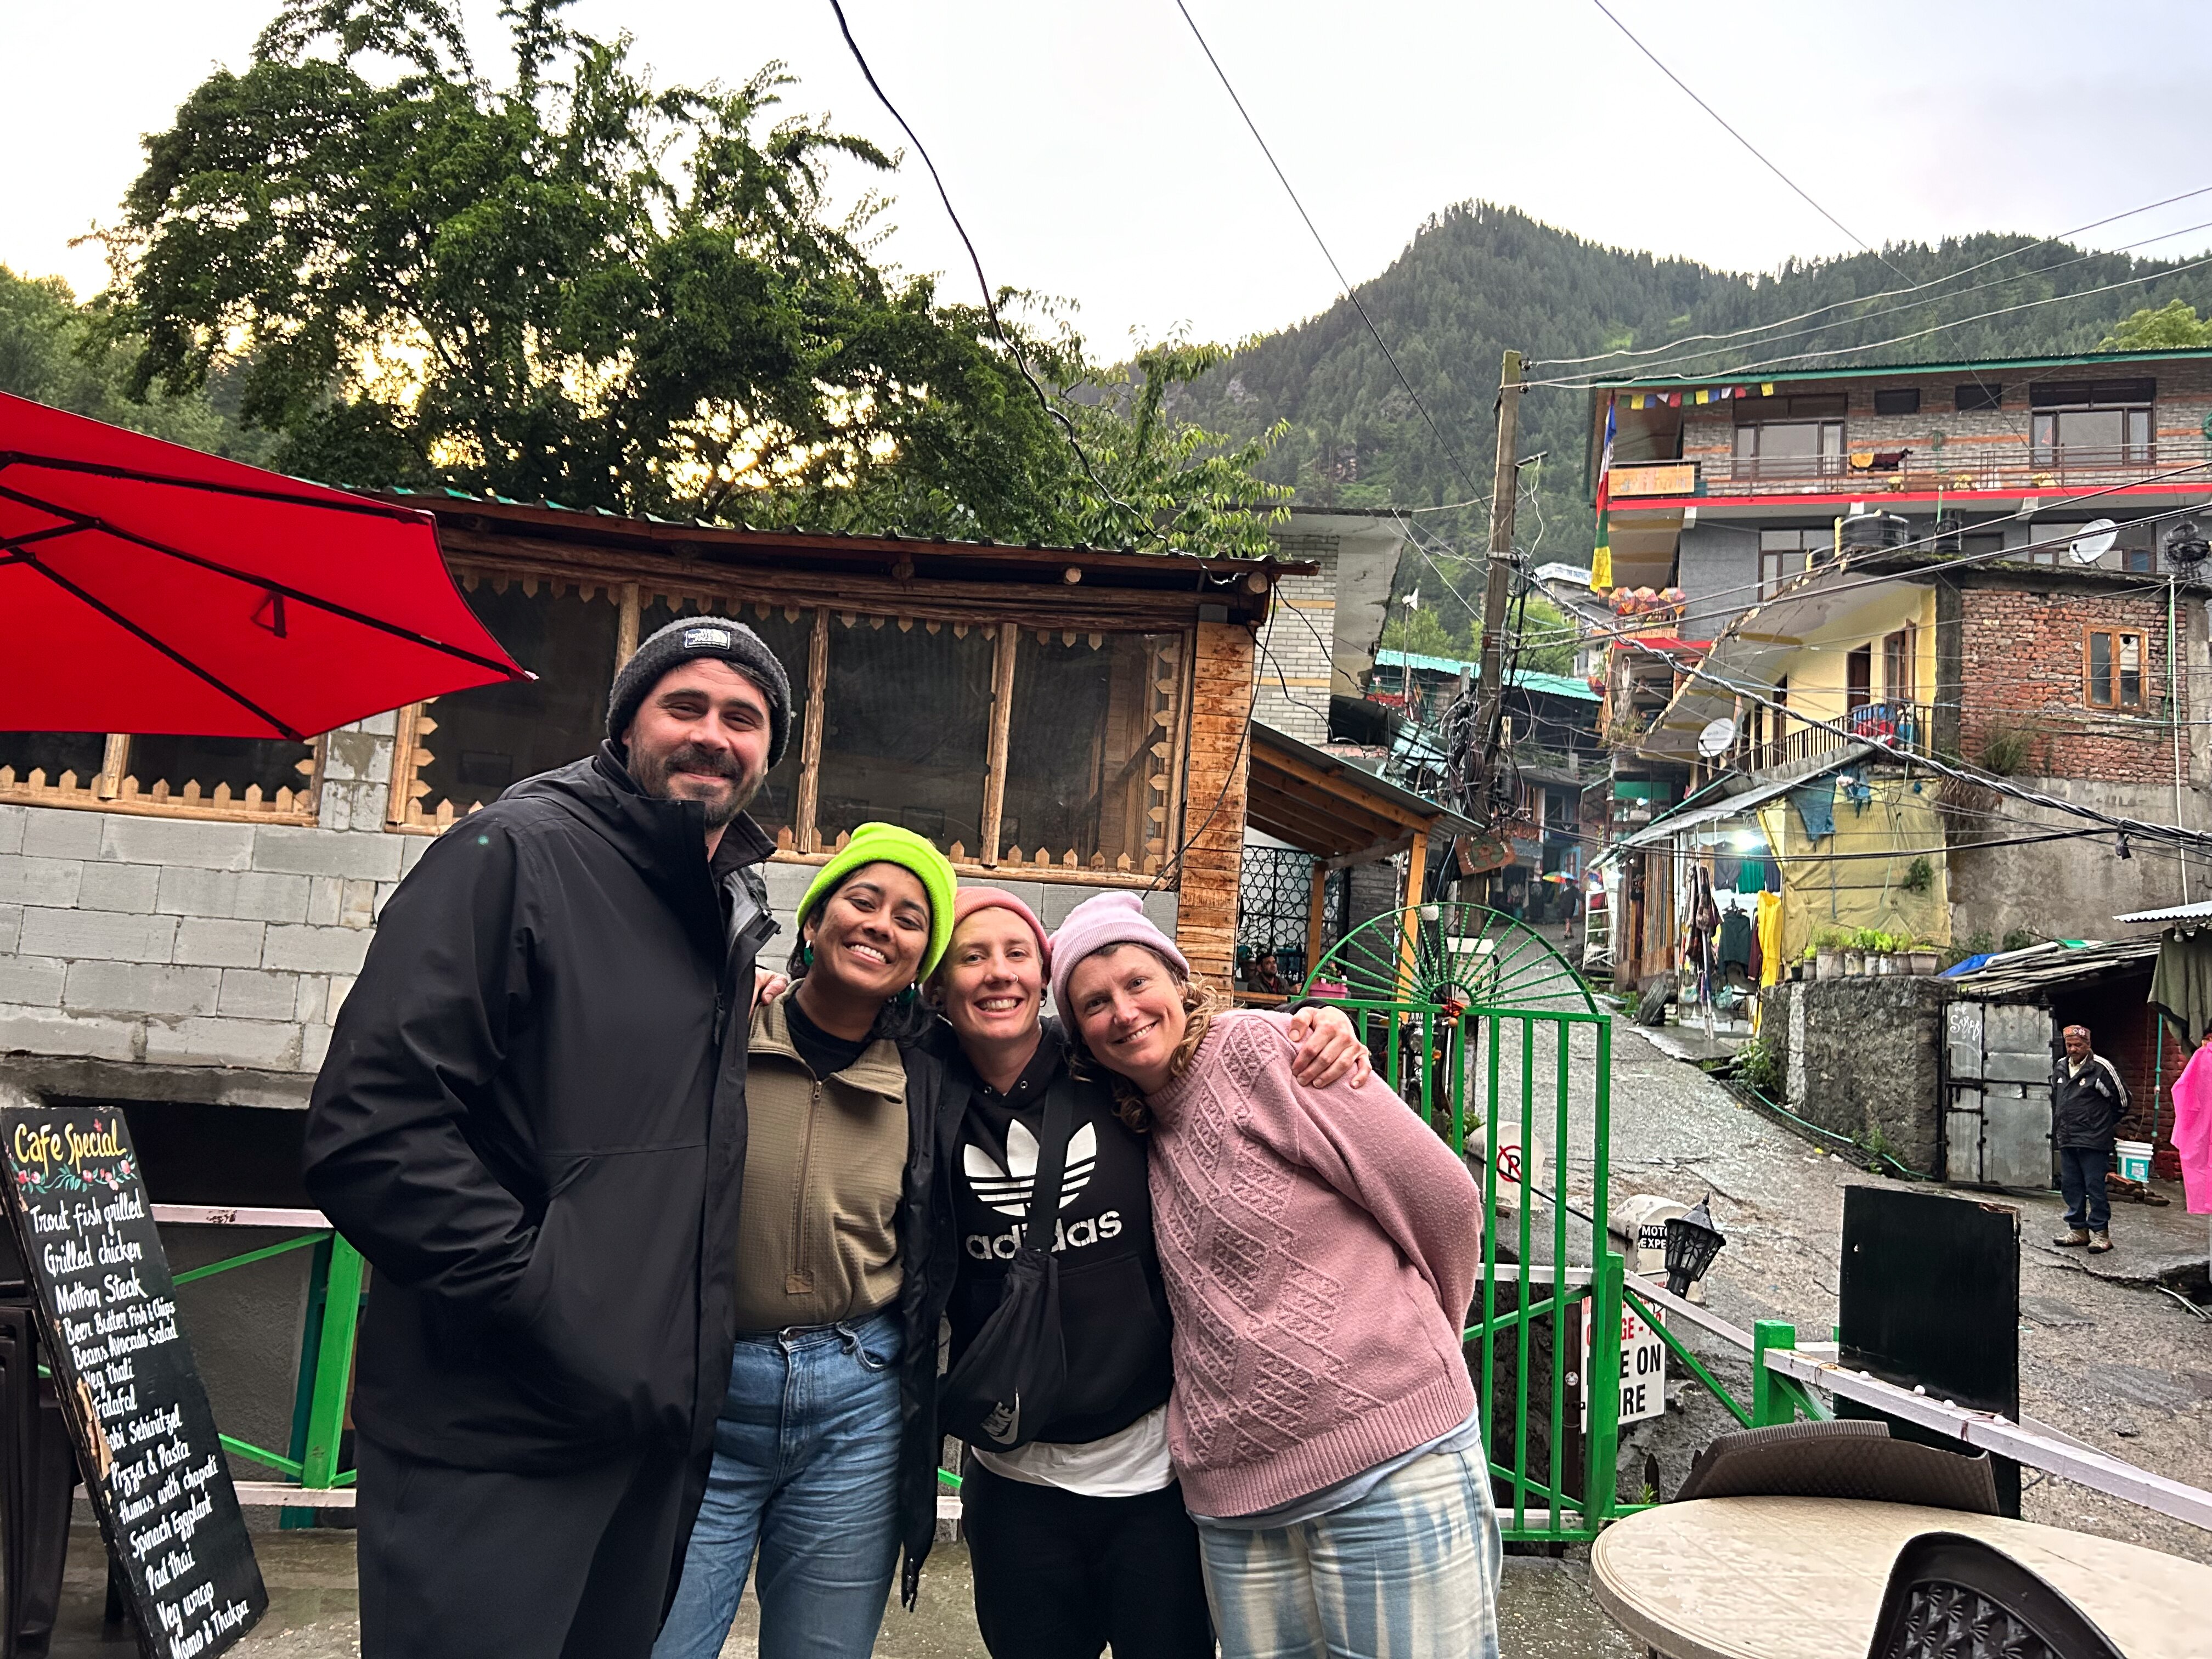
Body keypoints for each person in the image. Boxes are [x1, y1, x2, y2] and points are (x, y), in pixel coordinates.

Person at [304, 616, 793, 1659]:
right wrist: (548, 1298)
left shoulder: (719, 900)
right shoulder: (513, 853)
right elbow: (371, 1128)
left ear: (768, 752)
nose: (713, 735)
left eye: (743, 718)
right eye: (685, 706)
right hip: (495, 1435)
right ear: (625, 726)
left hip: (642, 1434)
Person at [1052, 890, 1500, 1659]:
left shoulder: (1262, 1049)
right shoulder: (1125, 1120)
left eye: (1136, 982)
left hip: (1388, 1463)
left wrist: (1419, 1349)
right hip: (1237, 1504)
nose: (1123, 1012)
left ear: (1178, 981)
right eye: (1094, 1003)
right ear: (1078, 1033)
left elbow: (1444, 1199)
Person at [929, 888, 1369, 1659]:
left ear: (1044, 977)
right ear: (938, 988)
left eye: (1016, 953)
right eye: (972, 957)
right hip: (1015, 1481)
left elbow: (1209, 1055)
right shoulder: (924, 1086)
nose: (997, 973)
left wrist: (1312, 1027)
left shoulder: (1104, 1065)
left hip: (1153, 1480)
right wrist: (771, 990)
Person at [654, 823, 958, 1659]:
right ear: (816, 920)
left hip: (858, 1402)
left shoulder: (930, 1073)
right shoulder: (725, 1029)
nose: (881, 926)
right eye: (863, 901)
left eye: (910, 919)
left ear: (922, 960)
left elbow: (1046, 1054)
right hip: (706, 1389)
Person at [2052, 1023, 2127, 1255]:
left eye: (2078, 1045)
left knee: (2095, 1187)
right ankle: (2078, 1230)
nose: (2073, 1049)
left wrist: (2100, 1124)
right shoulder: (2061, 1067)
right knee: (2071, 1186)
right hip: (2068, 1137)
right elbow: (2057, 1098)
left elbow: (2123, 1101)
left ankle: (2101, 1234)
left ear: (2088, 1044)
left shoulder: (2101, 1068)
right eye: (2069, 1045)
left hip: (2094, 1141)